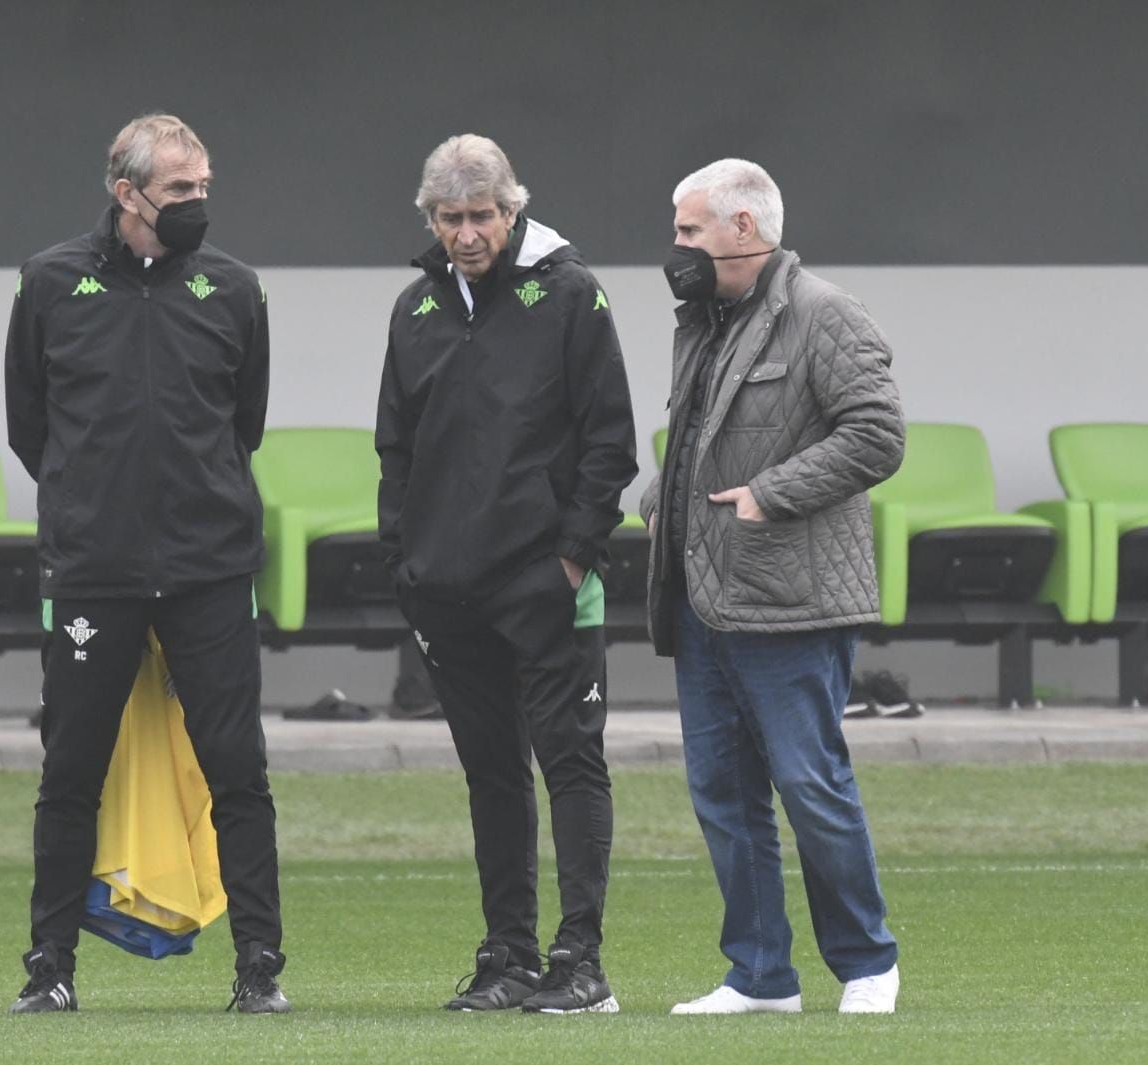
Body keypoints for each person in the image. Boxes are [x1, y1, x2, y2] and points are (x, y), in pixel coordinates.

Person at [3, 113, 288, 1015]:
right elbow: (30, 427)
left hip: (210, 569)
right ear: (126, 193)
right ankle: (49, 970)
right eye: (179, 190)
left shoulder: (237, 289)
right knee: (70, 771)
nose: (197, 203)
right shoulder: (49, 282)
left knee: (238, 770)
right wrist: (95, 504)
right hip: (94, 571)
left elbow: (244, 423)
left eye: (204, 187)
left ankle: (260, 970)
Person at [376, 134, 637, 1014]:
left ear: (511, 208)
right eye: (449, 218)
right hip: (447, 589)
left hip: (548, 581)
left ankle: (582, 961)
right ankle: (508, 956)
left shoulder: (570, 293)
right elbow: (396, 450)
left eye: (481, 215)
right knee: (491, 774)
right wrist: (405, 569)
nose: (466, 233)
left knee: (571, 764)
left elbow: (611, 442)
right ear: (431, 219)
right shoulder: (414, 309)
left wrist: (571, 557)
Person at [641, 158, 905, 1015]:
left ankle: (867, 964)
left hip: (789, 597)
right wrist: (659, 498)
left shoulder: (826, 313)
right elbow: (698, 438)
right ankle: (760, 977)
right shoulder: (703, 321)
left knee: (809, 783)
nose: (675, 246)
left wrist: (770, 493)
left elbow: (877, 434)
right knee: (723, 796)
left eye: (688, 230)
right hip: (701, 596)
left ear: (742, 229)